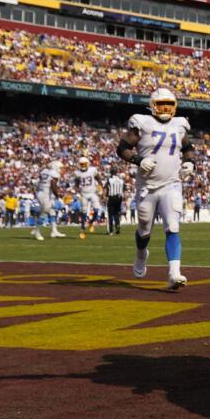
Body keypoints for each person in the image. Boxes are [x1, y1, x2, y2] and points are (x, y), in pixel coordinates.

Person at [116, 87, 194, 290]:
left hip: (172, 184)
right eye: (161, 104)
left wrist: (190, 163)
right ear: (152, 106)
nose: (166, 108)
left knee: (173, 226)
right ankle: (141, 254)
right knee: (144, 230)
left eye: (169, 103)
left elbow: (188, 148)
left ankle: (174, 273)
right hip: (147, 187)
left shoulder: (179, 125)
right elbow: (122, 148)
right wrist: (138, 159)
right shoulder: (142, 123)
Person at [31, 160, 66, 241]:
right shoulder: (54, 174)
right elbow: (53, 185)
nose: (60, 169)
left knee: (52, 210)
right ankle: (37, 231)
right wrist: (57, 195)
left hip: (42, 192)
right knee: (45, 211)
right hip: (45, 194)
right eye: (60, 168)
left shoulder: (44, 171)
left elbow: (38, 182)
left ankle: (54, 231)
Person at [75, 157, 102, 234]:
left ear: (88, 164)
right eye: (81, 164)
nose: (83, 166)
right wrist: (77, 190)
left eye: (84, 164)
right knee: (84, 211)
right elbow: (76, 183)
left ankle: (91, 222)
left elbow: (98, 178)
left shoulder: (92, 170)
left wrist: (100, 186)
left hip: (92, 193)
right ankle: (82, 227)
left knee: (97, 209)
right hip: (84, 194)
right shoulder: (77, 173)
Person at [104, 167, 125, 235]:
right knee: (116, 213)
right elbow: (124, 189)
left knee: (110, 214)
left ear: (111, 172)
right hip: (119, 198)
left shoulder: (109, 180)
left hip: (112, 197)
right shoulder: (121, 180)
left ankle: (111, 231)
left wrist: (104, 197)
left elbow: (105, 189)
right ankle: (117, 226)